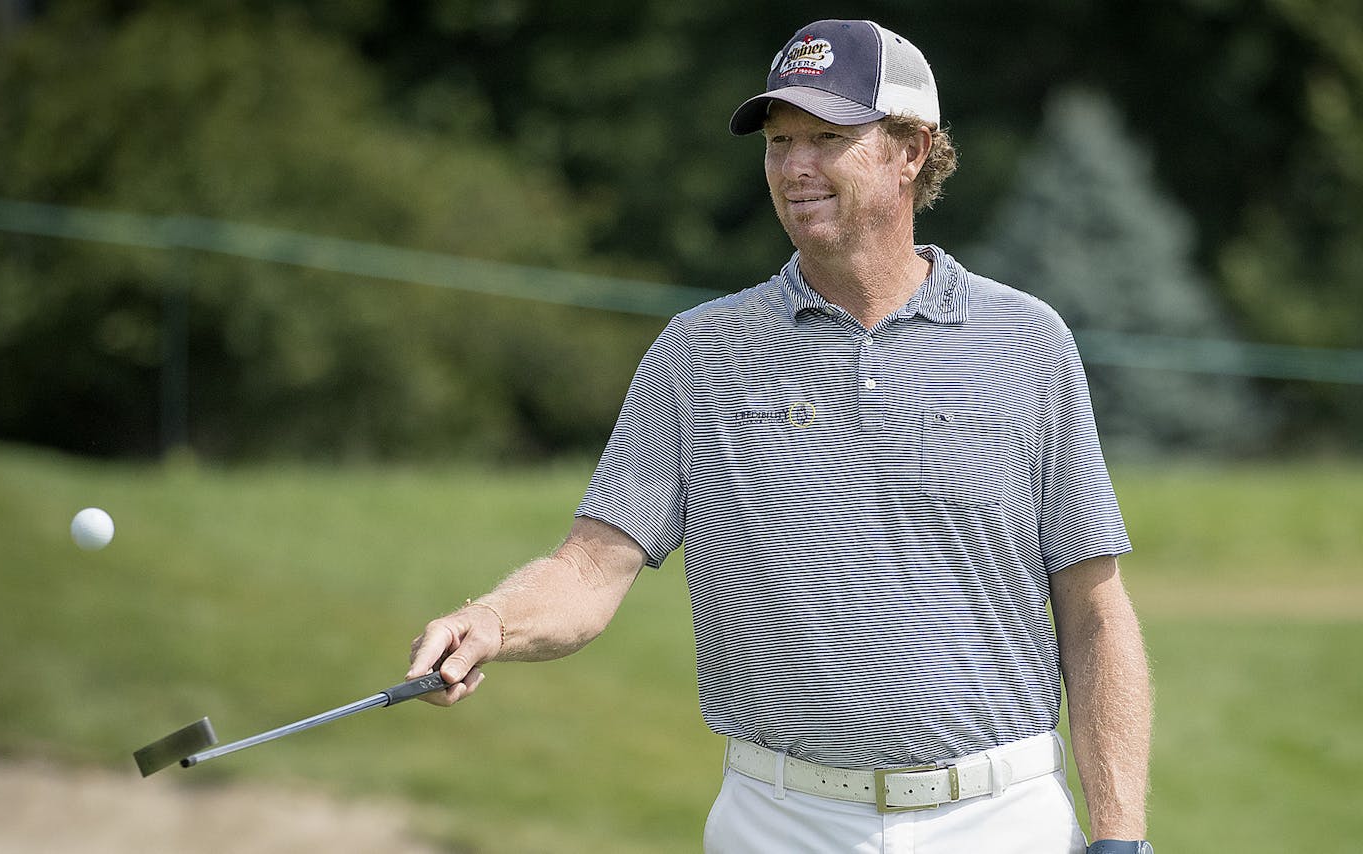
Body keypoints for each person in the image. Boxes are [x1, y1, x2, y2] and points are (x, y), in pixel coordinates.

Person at [406, 18, 1152, 854]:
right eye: (779, 141)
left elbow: (1093, 608)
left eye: (828, 138)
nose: (795, 166)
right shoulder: (699, 354)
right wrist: (492, 621)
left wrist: (1119, 835)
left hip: (998, 817)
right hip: (780, 821)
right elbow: (588, 569)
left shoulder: (1027, 340)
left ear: (912, 151)